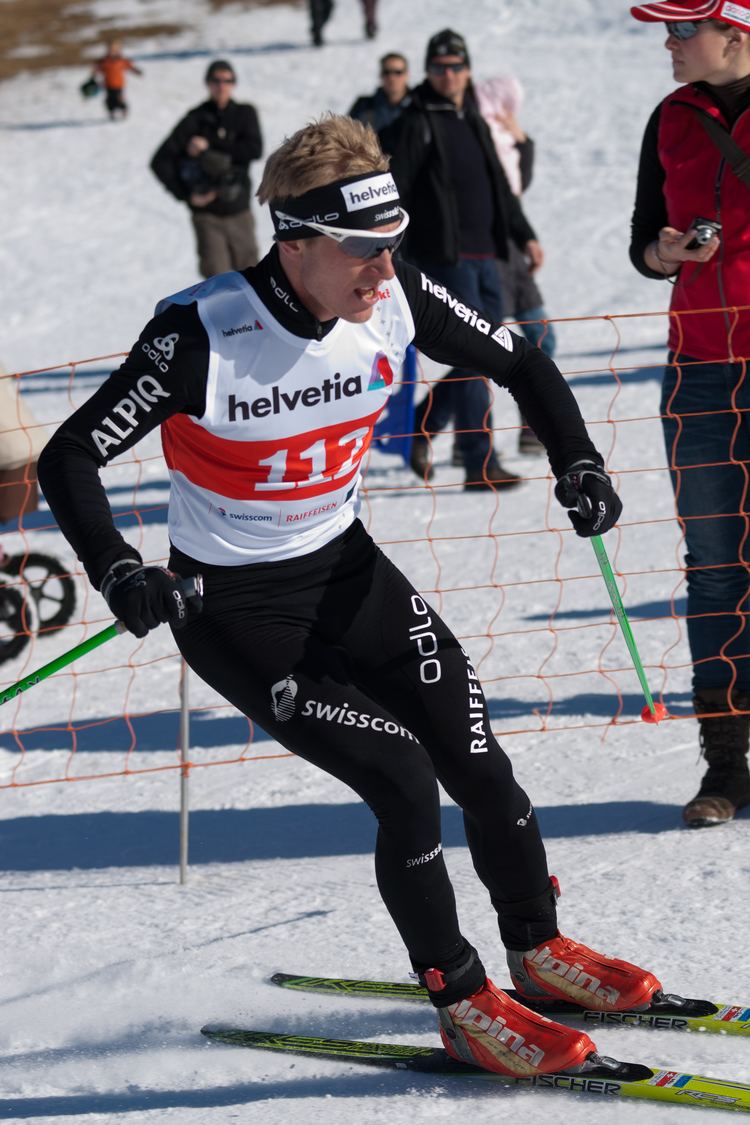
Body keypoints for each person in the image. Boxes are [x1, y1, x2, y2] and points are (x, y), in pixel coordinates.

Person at [37, 113, 659, 1080]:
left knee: (478, 756)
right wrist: (118, 566)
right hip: (239, 612)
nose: (383, 271)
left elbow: (523, 359)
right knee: (405, 783)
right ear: (293, 243)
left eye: (391, 248)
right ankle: (458, 1000)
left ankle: (536, 952)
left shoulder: (396, 295)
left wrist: (576, 458)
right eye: (362, 252)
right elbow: (70, 450)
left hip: (350, 573)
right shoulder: (202, 332)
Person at [629, 0, 750, 828]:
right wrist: (663, 252)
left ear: (736, 33)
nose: (669, 44)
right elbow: (642, 238)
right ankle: (727, 766)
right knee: (714, 567)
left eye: (681, 30)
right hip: (699, 371)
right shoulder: (671, 118)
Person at [385, 30, 543, 490]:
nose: (447, 75)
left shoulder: (471, 117)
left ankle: (423, 427)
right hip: (444, 257)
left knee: (484, 351)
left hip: (488, 253)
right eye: (438, 67)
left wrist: (524, 235)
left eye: (455, 66)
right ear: (428, 72)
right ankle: (478, 460)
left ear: (468, 70)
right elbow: (397, 191)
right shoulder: (416, 122)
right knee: (478, 349)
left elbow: (498, 185)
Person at [473, 76, 556, 456]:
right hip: (487, 250)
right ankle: (460, 433)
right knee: (478, 348)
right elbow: (507, 191)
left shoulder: (503, 136)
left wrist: (522, 140)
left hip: (512, 249)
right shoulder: (478, 133)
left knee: (540, 337)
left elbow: (517, 190)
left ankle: (530, 428)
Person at [150, 60, 263, 279]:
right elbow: (160, 161)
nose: (221, 86)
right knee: (216, 283)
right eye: (216, 81)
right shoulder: (195, 119)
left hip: (238, 211)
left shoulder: (244, 114)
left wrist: (209, 147)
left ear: (234, 84)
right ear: (207, 84)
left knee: (253, 279)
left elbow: (253, 149)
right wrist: (186, 195)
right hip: (207, 216)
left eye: (227, 80)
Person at [348, 52, 411, 133]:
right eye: (387, 72)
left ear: (407, 75)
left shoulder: (421, 106)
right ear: (380, 75)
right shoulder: (363, 107)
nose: (391, 77)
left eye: (398, 72)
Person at [91, 40, 142, 121]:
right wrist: (94, 74)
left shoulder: (121, 60)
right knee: (109, 100)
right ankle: (111, 112)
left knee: (118, 99)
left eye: (115, 49)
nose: (112, 51)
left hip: (119, 84)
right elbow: (98, 69)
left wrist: (136, 71)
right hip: (108, 84)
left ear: (118, 50)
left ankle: (124, 109)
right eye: (110, 49)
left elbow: (129, 66)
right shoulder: (104, 61)